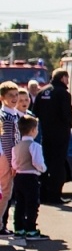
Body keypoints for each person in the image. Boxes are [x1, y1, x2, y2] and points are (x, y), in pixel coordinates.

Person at [32, 69, 72, 206]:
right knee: (58, 166)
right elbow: (66, 114)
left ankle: (43, 194)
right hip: (60, 135)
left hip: (45, 134)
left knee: (45, 164)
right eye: (67, 78)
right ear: (62, 78)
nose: (68, 81)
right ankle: (55, 195)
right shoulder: (63, 93)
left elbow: (35, 112)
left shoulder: (42, 92)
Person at [11, 115, 46, 242]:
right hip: (31, 177)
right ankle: (31, 229)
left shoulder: (16, 147)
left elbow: (14, 163)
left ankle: (19, 228)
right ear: (32, 130)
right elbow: (37, 162)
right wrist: (43, 169)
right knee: (32, 204)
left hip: (19, 176)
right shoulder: (34, 146)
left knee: (20, 203)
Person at [0, 82, 18, 236]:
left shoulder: (13, 114)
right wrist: (12, 162)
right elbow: (7, 141)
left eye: (16, 95)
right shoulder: (6, 117)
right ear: (2, 98)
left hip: (8, 157)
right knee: (5, 192)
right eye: (10, 95)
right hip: (5, 158)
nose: (14, 98)